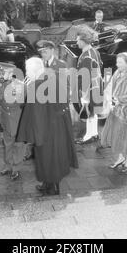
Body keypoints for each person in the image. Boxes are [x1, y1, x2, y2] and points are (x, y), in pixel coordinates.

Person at [16, 57, 78, 196]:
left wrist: (34, 135)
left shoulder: (37, 85)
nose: (26, 74)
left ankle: (52, 188)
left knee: (47, 157)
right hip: (58, 126)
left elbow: (34, 113)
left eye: (27, 70)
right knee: (54, 156)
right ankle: (48, 183)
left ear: (34, 70)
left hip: (45, 128)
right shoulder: (53, 78)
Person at [100, 52, 127, 173]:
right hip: (116, 111)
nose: (116, 64)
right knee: (117, 136)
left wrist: (120, 100)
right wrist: (110, 101)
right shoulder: (117, 72)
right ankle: (120, 158)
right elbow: (111, 88)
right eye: (117, 62)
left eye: (120, 62)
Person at [0, 62, 26, 181]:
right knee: (7, 144)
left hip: (18, 118)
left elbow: (23, 103)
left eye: (3, 72)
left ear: (11, 73)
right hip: (5, 118)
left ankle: (16, 168)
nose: (0, 74)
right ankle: (8, 166)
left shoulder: (20, 85)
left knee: (19, 145)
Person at [74, 26, 103, 145]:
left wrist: (83, 96)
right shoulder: (94, 51)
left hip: (90, 88)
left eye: (78, 40)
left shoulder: (86, 56)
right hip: (97, 85)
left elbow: (85, 78)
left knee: (89, 111)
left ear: (84, 41)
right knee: (94, 112)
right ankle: (94, 134)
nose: (76, 42)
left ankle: (88, 136)